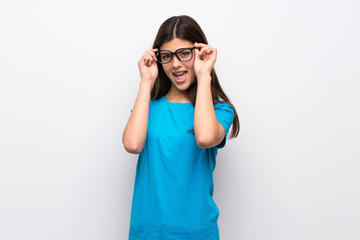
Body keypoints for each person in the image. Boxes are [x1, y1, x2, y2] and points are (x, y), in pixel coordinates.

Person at [122, 15, 240, 240]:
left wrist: (203, 74)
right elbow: (132, 144)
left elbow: (205, 137)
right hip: (147, 232)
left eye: (184, 53)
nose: (175, 64)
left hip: (196, 233)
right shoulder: (148, 108)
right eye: (167, 56)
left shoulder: (221, 111)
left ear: (199, 53)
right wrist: (146, 82)